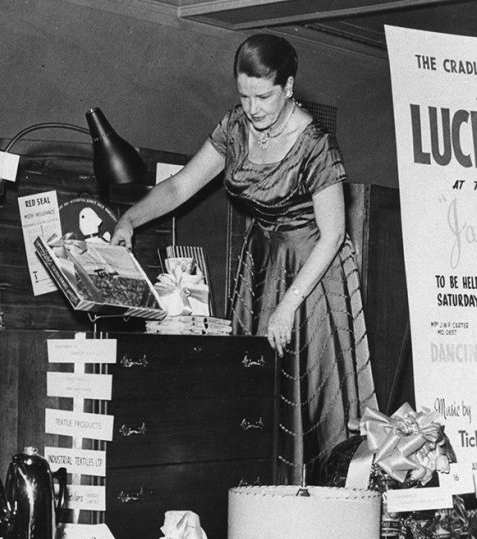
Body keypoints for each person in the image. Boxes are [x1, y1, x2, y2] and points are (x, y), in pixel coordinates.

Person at [111, 33, 377, 484]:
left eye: (264, 96)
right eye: (244, 95)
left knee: (309, 394)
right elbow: (179, 186)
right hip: (262, 266)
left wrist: (288, 305)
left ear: (288, 87)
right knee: (253, 392)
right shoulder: (235, 128)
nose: (252, 108)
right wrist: (131, 220)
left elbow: (333, 236)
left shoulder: (315, 143)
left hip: (310, 276)